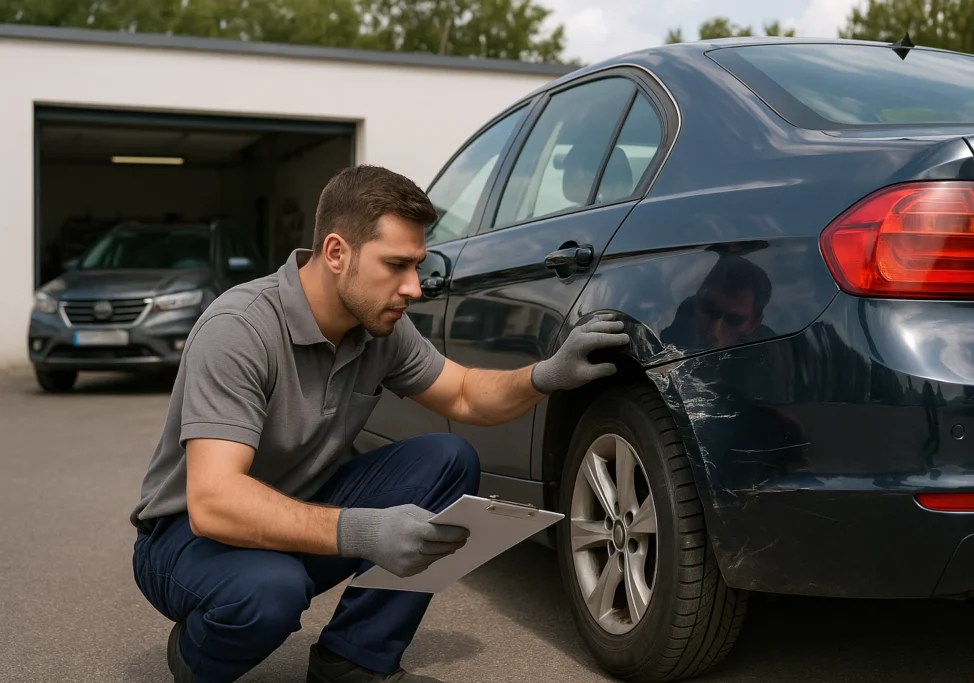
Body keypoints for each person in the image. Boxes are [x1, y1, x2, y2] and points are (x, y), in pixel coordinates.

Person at [128, 165, 630, 683]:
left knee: (447, 459)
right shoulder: (239, 329)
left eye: (416, 265)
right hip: (186, 537)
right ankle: (196, 656)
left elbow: (463, 393)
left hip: (298, 505)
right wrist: (364, 530)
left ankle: (355, 660)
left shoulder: (378, 327)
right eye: (395, 265)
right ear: (336, 252)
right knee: (270, 591)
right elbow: (213, 503)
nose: (413, 287)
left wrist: (546, 376)